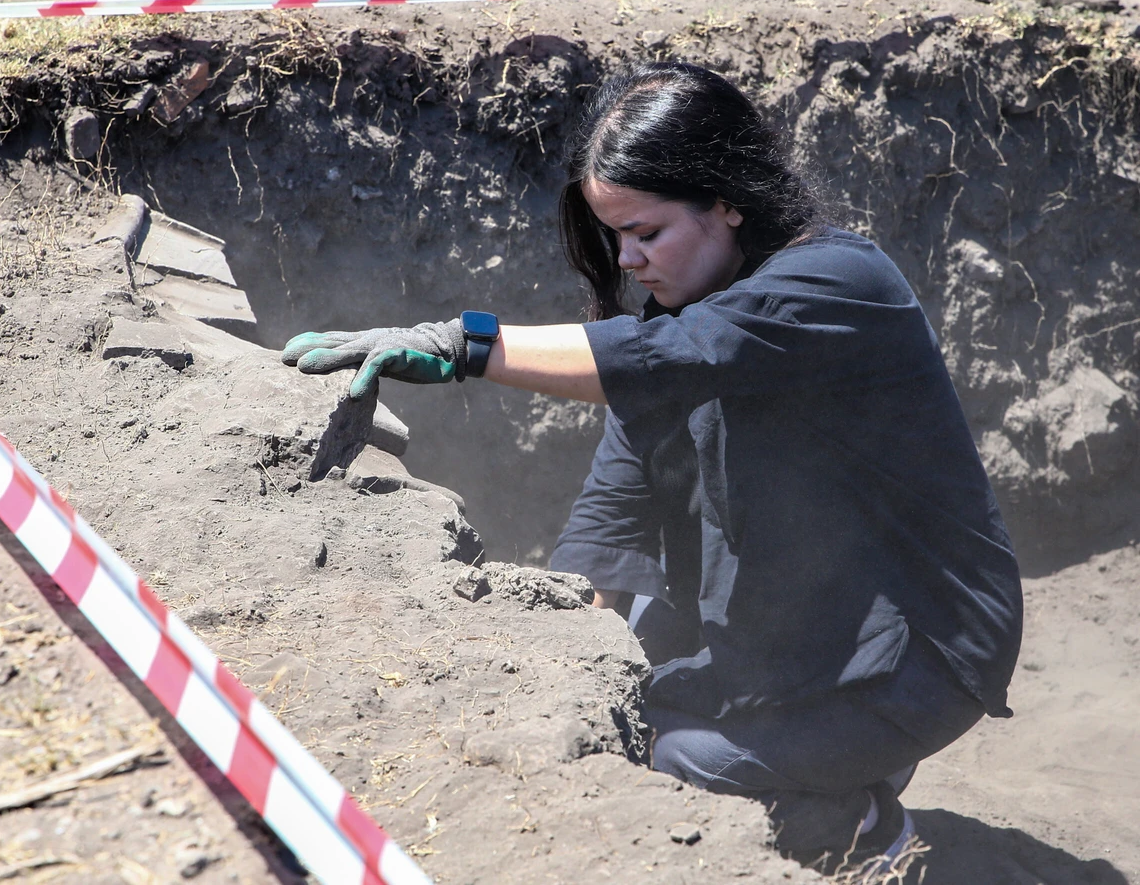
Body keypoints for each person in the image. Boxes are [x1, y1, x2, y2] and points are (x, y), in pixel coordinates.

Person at [282, 62, 1023, 877]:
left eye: (647, 232)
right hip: (798, 620)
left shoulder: (837, 282)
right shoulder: (679, 312)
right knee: (616, 713)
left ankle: (856, 812)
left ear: (726, 201)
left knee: (670, 763)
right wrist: (561, 654)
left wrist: (467, 344)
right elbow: (620, 494)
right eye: (615, 237)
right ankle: (823, 753)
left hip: (920, 646)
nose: (628, 259)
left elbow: (664, 357)